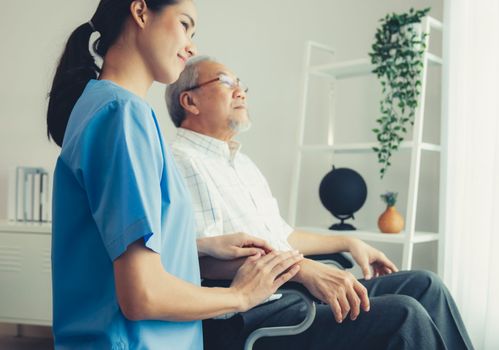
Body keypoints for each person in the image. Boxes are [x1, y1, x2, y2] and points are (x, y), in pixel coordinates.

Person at [165, 56, 475, 349]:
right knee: (404, 315)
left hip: (293, 291)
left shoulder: (242, 163)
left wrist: (349, 241)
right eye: (225, 82)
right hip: (256, 313)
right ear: (189, 101)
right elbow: (199, 261)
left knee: (425, 285)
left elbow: (282, 236)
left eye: (240, 84)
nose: (241, 92)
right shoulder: (182, 163)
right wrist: (300, 269)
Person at [46, 2, 304, 349]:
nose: (192, 46)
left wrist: (198, 246)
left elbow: (111, 250)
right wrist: (241, 296)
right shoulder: (122, 114)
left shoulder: (104, 107)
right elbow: (143, 295)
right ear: (140, 12)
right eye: (185, 25)